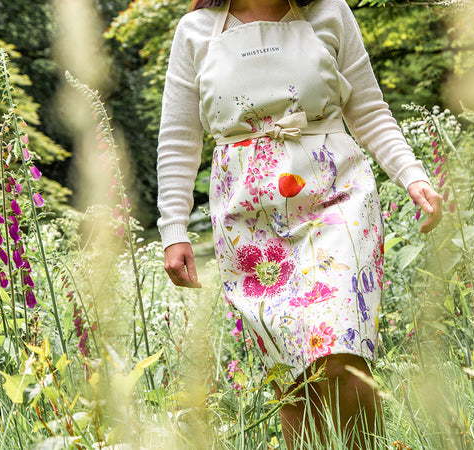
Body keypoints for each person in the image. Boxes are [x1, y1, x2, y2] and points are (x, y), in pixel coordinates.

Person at [157, 0, 442, 447]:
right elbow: (178, 139)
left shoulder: (329, 13)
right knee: (293, 376)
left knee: (340, 352)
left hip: (336, 201)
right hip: (248, 223)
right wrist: (173, 229)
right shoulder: (195, 31)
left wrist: (412, 174)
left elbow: (367, 108)